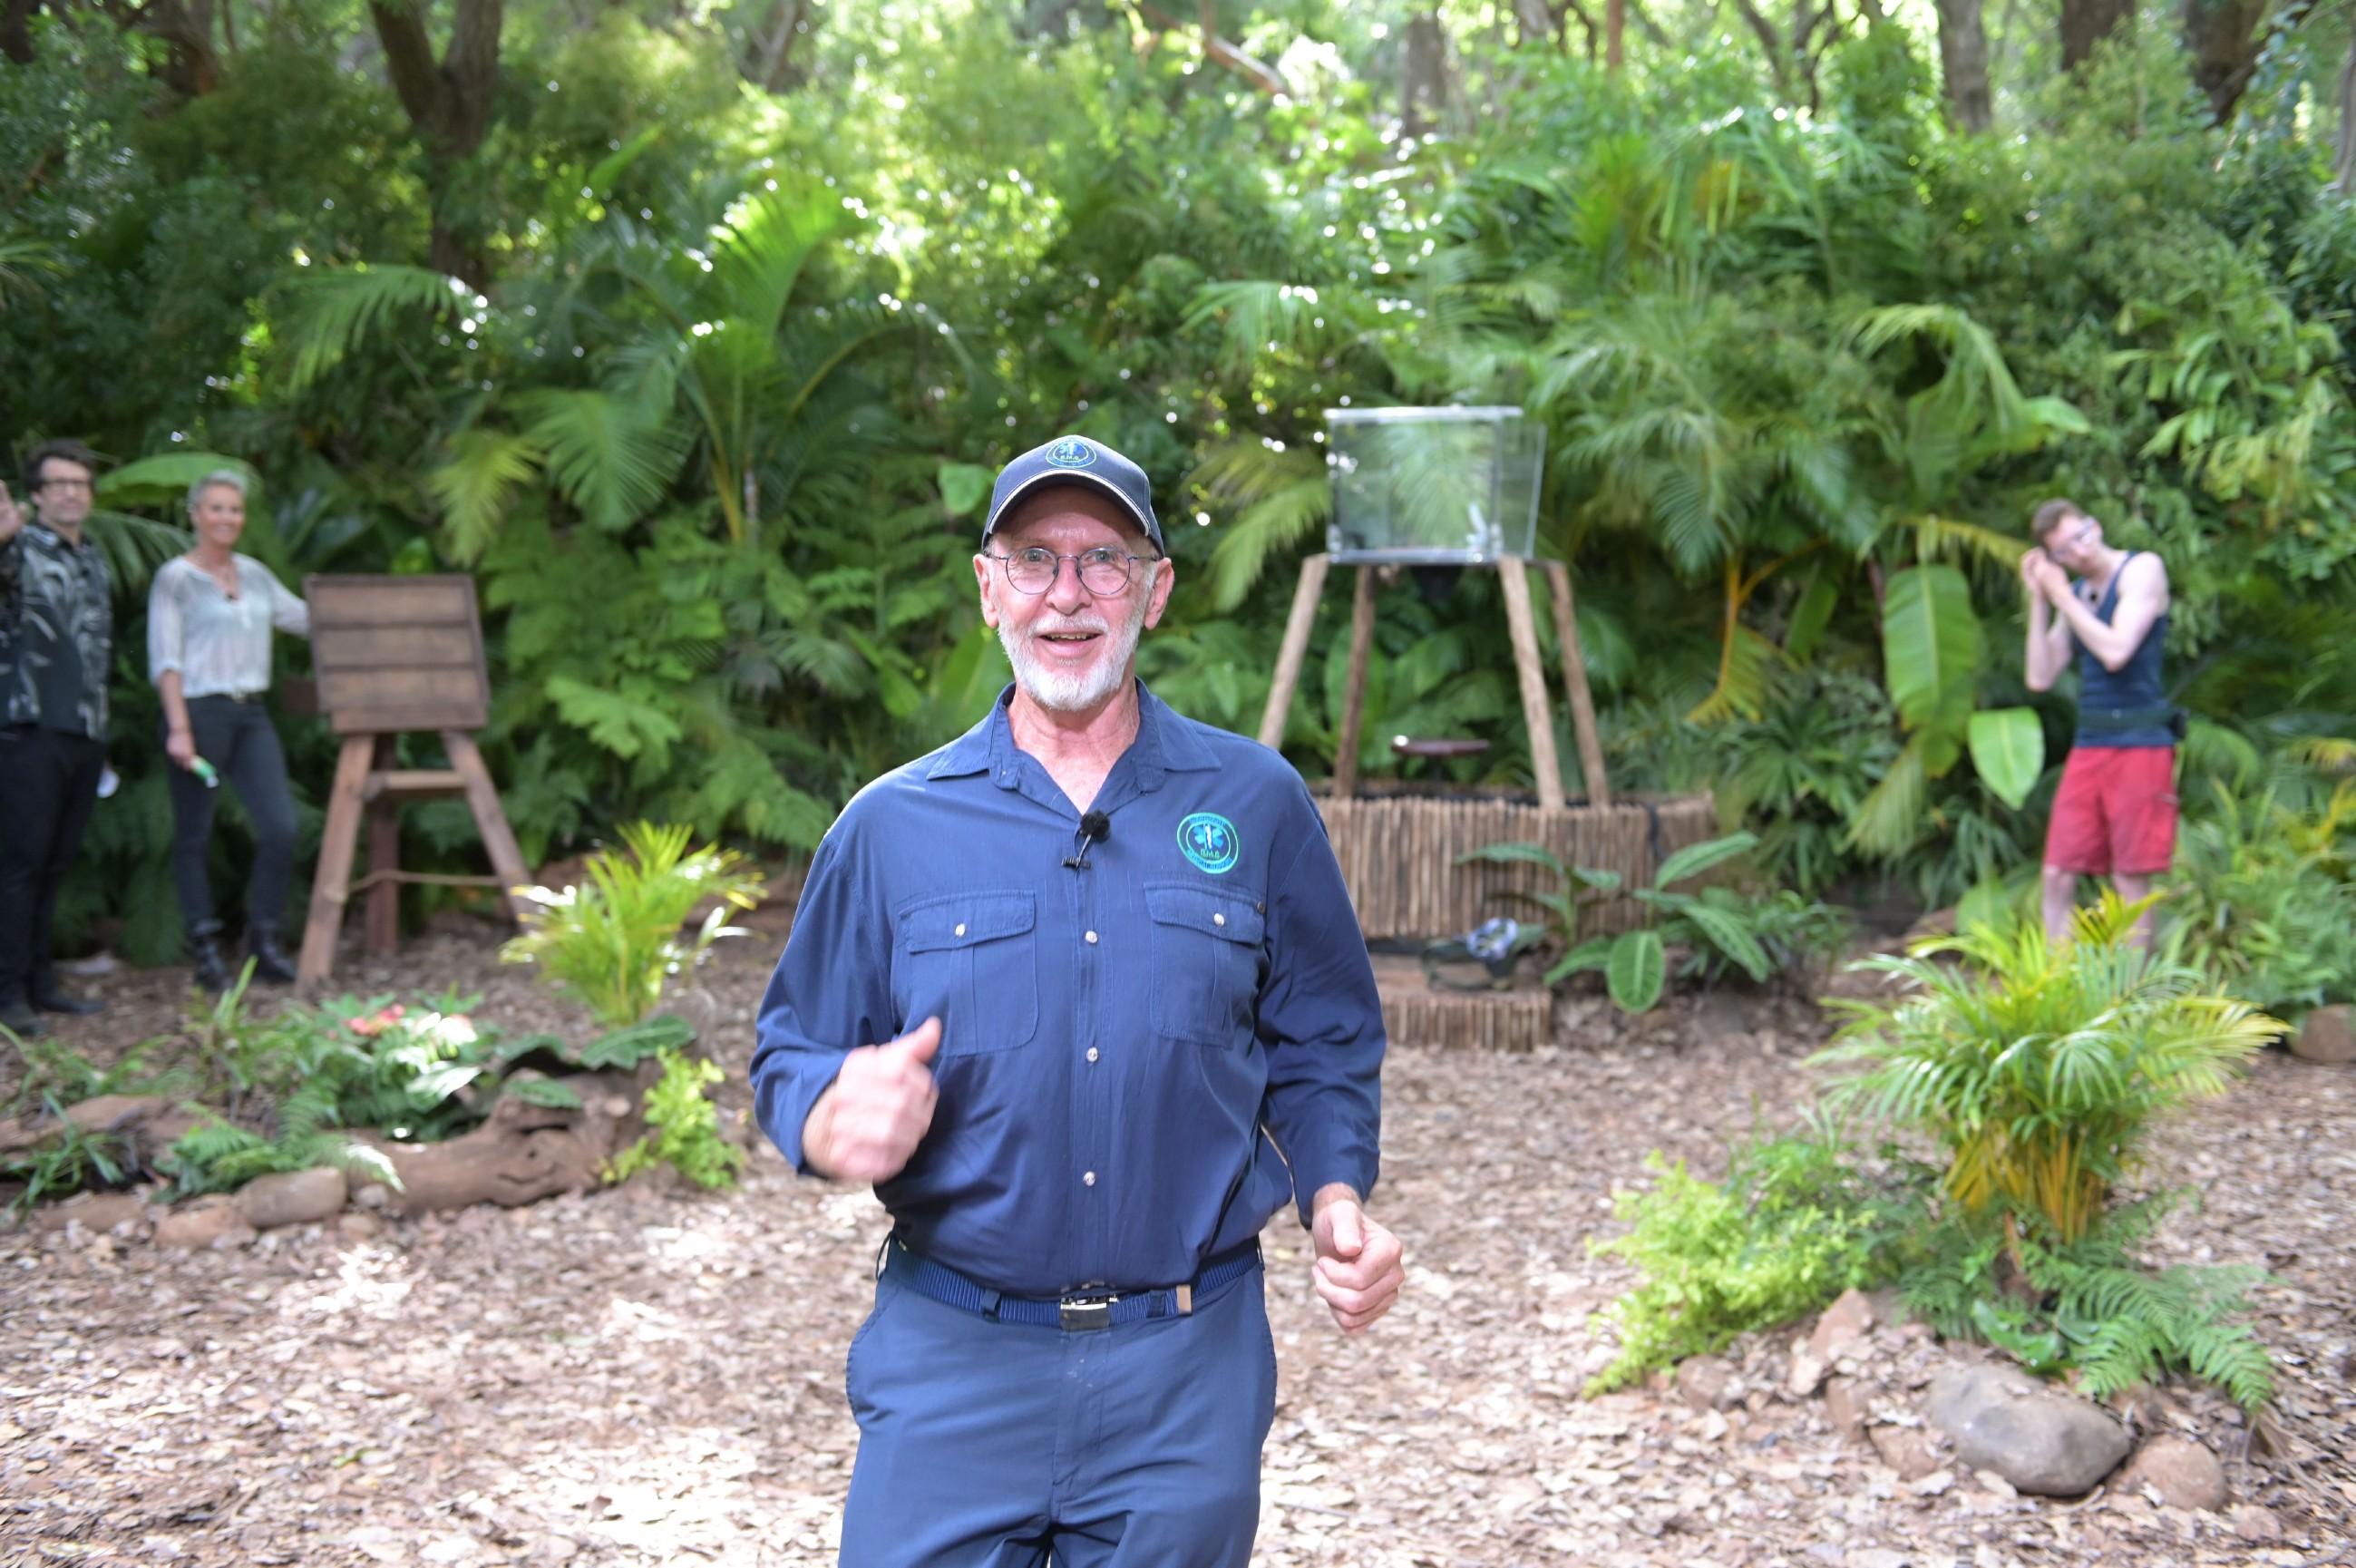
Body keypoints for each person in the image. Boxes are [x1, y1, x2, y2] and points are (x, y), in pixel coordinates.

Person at [751, 433, 1402, 1567]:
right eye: (1035, 558)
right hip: (955, 1357)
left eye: (1103, 558)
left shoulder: (1255, 804)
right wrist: (820, 1112)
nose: (1068, 594)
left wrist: (1337, 1193)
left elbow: (1325, 1033)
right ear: (988, 586)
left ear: (1154, 589)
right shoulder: (891, 827)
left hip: (1186, 1373)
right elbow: (791, 1049)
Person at [147, 470, 311, 989]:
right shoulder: (176, 578)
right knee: (195, 833)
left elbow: (305, 618)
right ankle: (204, 950)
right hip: (197, 713)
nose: (226, 518)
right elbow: (165, 657)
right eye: (216, 508)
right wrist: (179, 729)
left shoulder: (257, 575)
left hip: (251, 714)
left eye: (235, 510)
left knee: (281, 826)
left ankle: (261, 940)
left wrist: (367, 610)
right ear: (195, 515)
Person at [2020, 498, 2176, 946]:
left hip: (2141, 742)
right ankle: (2059, 990)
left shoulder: (2141, 570)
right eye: (2065, 551)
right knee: (2057, 873)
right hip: (2091, 743)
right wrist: (2039, 599)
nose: (2080, 552)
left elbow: (2115, 651)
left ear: (2096, 525)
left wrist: (2063, 595)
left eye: (2081, 536)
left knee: (2130, 879)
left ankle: (2130, 1001)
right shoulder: (2078, 597)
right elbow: (2039, 676)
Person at [0, 440, 112, 1037]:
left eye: (81, 482)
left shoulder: (94, 559)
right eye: (59, 482)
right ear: (37, 494)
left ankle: (41, 983)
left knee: (55, 864)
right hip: (28, 726)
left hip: (84, 731)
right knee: (19, 864)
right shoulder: (16, 550)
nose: (72, 491)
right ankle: (8, 992)